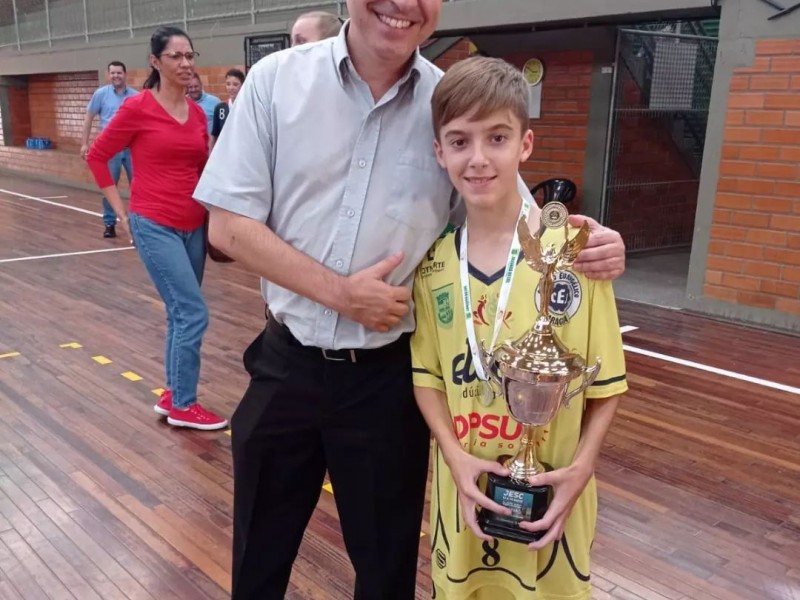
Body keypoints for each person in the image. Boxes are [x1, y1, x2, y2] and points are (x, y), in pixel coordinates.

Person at [194, 1, 626, 597]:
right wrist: (343, 295)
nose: (402, 4)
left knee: (386, 574)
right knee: (257, 564)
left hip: (386, 384)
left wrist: (589, 243)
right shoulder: (276, 81)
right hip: (285, 364)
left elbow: (516, 221)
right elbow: (226, 227)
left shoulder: (450, 103)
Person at [411, 56, 628, 600]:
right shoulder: (432, 265)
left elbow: (605, 386)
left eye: (497, 137)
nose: (478, 158)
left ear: (525, 144)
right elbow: (427, 378)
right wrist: (453, 455)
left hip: (555, 495)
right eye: (459, 141)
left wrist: (582, 469)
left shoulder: (575, 254)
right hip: (465, 491)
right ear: (439, 152)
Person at [86, 26, 227, 431]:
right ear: (155, 61)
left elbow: (201, 169)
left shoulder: (198, 114)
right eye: (175, 56)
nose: (185, 63)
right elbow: (97, 156)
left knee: (179, 313)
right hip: (154, 224)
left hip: (193, 226)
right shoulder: (137, 108)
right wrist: (122, 212)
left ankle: (172, 393)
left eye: (189, 55)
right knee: (192, 313)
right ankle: (184, 404)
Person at [81, 61, 138, 238]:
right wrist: (84, 143)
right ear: (108, 75)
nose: (115, 76)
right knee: (109, 185)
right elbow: (89, 118)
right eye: (112, 73)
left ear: (125, 74)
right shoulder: (100, 94)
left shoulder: (136, 96)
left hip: (131, 149)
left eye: (119, 73)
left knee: (138, 186)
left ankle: (138, 222)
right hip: (110, 150)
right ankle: (109, 223)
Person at [209, 68, 245, 152]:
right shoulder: (220, 108)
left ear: (242, 86)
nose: (231, 88)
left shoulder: (247, 107)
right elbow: (215, 134)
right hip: (225, 151)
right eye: (228, 84)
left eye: (235, 84)